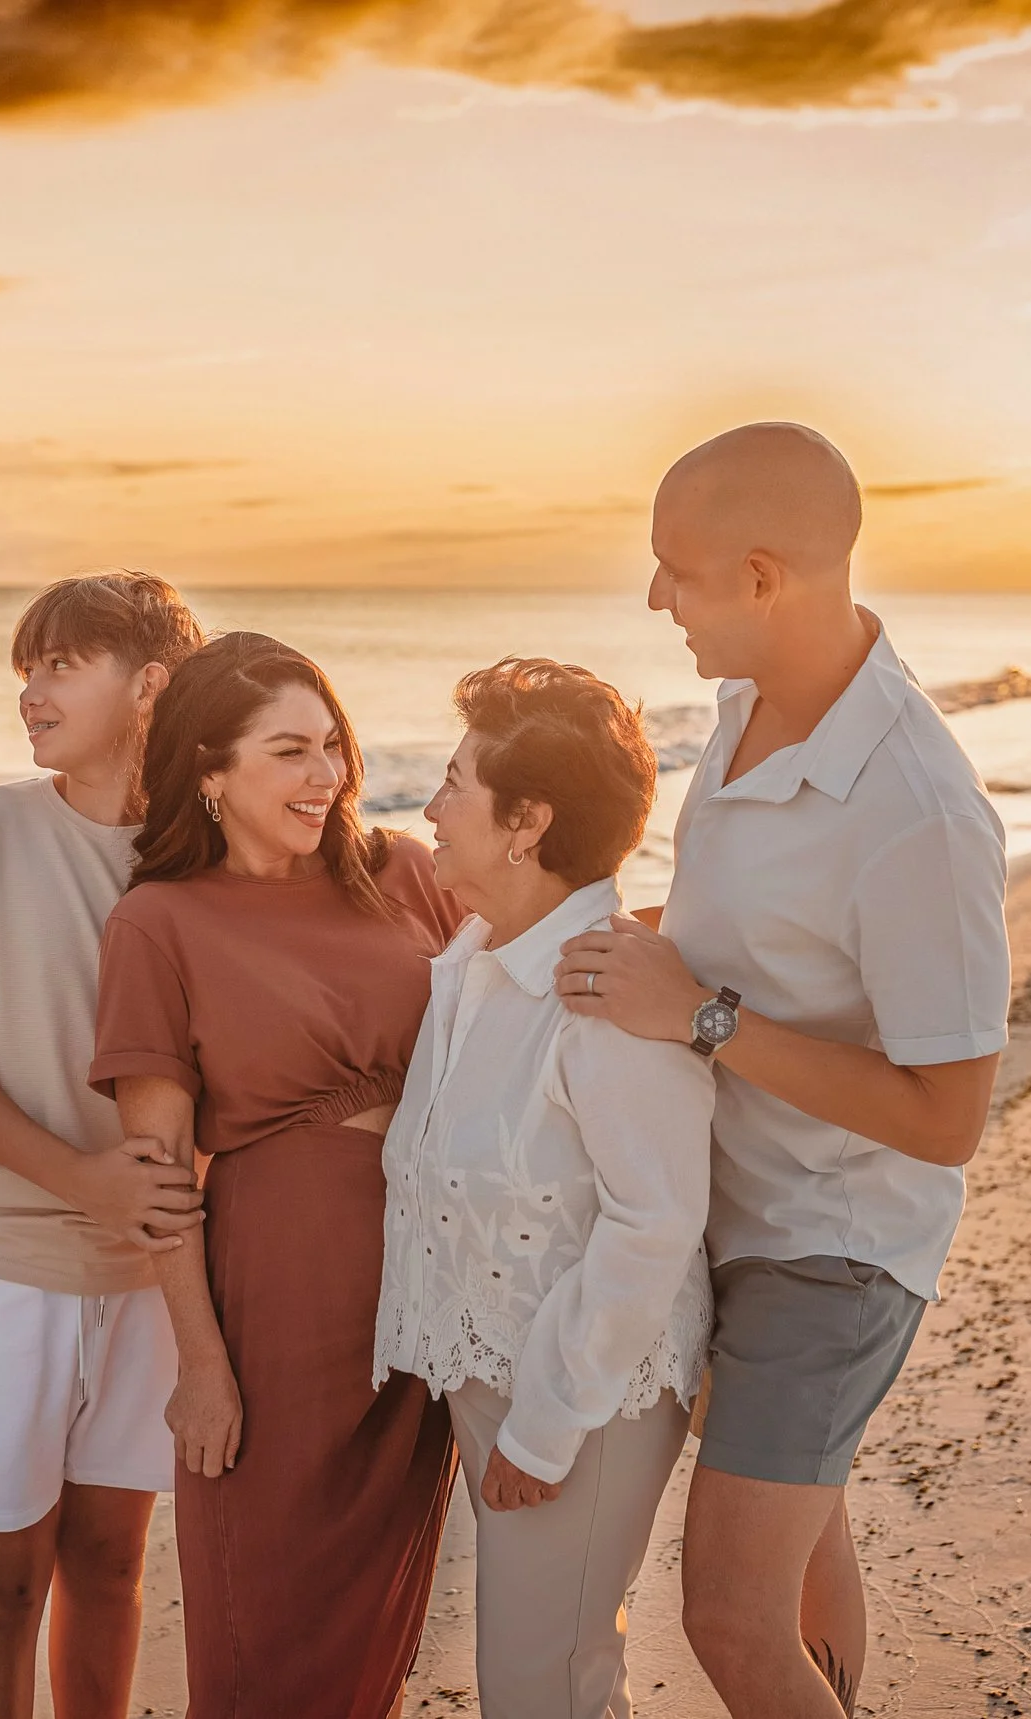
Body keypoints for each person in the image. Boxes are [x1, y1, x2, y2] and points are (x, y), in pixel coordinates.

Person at [555, 424, 1009, 1719]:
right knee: (810, 1547)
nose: (656, 599)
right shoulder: (749, 705)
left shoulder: (916, 808)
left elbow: (949, 1115)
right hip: (736, 1202)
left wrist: (699, 1016)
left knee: (730, 1616)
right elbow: (734, 935)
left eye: (677, 572)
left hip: (835, 1242)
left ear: (762, 577)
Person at [88, 632, 463, 1719]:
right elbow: (158, 1172)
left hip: (436, 1295)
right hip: (281, 1313)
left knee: (374, 1633)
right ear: (209, 773)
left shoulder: (403, 872)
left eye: (333, 744)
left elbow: (526, 1009)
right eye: (290, 752)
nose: (328, 775)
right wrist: (199, 1363)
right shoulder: (158, 922)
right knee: (269, 1636)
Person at [0, 572, 205, 1719]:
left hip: (155, 1273)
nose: (31, 692)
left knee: (112, 1568)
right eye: (27, 670)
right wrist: (80, 1181)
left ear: (149, 682)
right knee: (3, 1586)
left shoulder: (205, 857)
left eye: (60, 664)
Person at [375, 658, 715, 1718]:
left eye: (454, 783)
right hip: (490, 1372)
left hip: (581, 1400)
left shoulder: (604, 986)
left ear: (526, 822)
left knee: (544, 1689)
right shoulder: (473, 959)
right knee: (547, 1680)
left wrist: (544, 1424)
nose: (427, 808)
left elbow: (655, 1221)